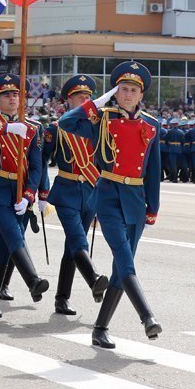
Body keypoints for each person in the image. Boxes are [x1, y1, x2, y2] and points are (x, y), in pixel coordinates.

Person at [59, 60, 162, 349]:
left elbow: (153, 170)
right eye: (122, 89)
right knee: (123, 256)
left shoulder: (152, 125)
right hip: (108, 196)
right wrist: (95, 103)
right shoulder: (102, 119)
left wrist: (153, 207)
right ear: (115, 93)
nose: (127, 94)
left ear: (142, 95)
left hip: (136, 200)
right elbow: (66, 123)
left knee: (120, 268)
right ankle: (147, 317)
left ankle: (100, 328)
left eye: (133, 90)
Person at [0, 73, 48, 319]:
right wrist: (5, 128)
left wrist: (29, 195)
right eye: (7, 95)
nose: (13, 98)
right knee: (13, 235)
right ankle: (32, 279)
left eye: (16, 94)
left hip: (20, 193)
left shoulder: (33, 128)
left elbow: (37, 167)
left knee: (3, 247)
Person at [42, 74, 109, 317]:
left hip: (90, 192)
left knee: (72, 247)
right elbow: (42, 161)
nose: (84, 100)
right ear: (68, 101)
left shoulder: (97, 127)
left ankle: (62, 299)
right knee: (77, 238)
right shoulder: (57, 128)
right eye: (79, 96)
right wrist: (39, 191)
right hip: (66, 192)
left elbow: (104, 161)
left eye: (88, 97)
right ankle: (93, 278)